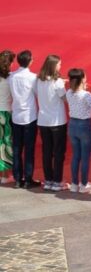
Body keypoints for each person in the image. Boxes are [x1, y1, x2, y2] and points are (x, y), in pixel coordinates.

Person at [34, 54, 67, 192]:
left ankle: (48, 180)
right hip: (57, 121)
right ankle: (57, 181)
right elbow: (64, 97)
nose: (60, 66)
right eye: (59, 64)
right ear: (54, 66)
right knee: (59, 152)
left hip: (43, 120)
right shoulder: (57, 81)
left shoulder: (38, 80)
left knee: (47, 151)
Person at [7, 50, 37, 188]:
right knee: (29, 149)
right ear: (30, 61)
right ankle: (28, 178)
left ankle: (18, 179)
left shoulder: (11, 76)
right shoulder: (32, 77)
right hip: (29, 116)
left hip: (16, 115)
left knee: (17, 148)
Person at [64, 67, 91, 193]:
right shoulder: (86, 95)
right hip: (84, 125)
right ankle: (84, 184)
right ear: (82, 79)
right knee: (85, 156)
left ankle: (74, 183)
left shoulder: (69, 93)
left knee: (76, 155)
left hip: (72, 124)